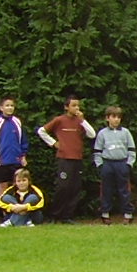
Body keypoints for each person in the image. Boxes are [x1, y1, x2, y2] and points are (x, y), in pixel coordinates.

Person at [38, 95, 96, 223]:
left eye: (78, 105)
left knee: (75, 188)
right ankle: (54, 215)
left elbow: (92, 134)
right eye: (73, 105)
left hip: (77, 158)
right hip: (64, 158)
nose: (76, 108)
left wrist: (83, 120)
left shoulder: (80, 122)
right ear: (66, 107)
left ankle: (67, 216)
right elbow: (41, 131)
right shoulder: (59, 120)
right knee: (62, 187)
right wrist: (53, 143)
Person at [92, 106, 137, 225]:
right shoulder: (102, 133)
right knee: (106, 190)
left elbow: (131, 150)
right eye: (113, 117)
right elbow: (97, 151)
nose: (116, 119)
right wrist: (100, 165)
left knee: (124, 190)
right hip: (108, 163)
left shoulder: (126, 132)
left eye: (118, 117)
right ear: (107, 118)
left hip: (122, 163)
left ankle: (128, 214)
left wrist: (129, 164)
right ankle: (105, 213)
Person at [0, 96, 28, 201]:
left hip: (16, 160)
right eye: (7, 105)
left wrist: (23, 156)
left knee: (17, 185)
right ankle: (4, 209)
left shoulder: (17, 121)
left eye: (12, 105)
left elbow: (23, 140)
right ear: (1, 108)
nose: (10, 108)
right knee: (3, 187)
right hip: (0, 161)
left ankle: (17, 208)